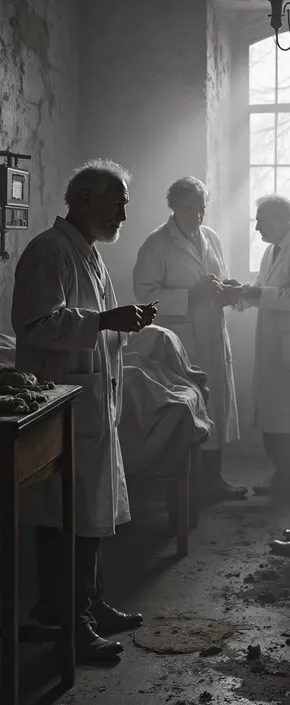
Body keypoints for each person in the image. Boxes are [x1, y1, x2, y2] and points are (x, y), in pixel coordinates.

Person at [11, 159, 157, 664]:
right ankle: (69, 621)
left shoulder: (87, 254)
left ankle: (90, 602)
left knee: (90, 511)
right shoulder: (48, 252)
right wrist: (103, 320)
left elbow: (91, 324)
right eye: (117, 202)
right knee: (66, 516)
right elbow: (33, 324)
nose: (123, 212)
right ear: (85, 199)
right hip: (65, 402)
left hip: (92, 400)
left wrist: (121, 322)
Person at [133, 176, 245, 503]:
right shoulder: (156, 244)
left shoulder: (210, 237)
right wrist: (190, 296)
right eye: (189, 208)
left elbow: (217, 278)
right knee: (189, 409)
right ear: (174, 208)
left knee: (217, 405)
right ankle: (190, 485)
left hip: (212, 332)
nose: (197, 215)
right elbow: (146, 296)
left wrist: (226, 290)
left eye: (202, 208)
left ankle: (215, 480)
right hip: (181, 339)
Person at [238, 194, 290, 495]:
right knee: (275, 414)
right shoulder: (273, 251)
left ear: (280, 220)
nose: (257, 226)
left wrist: (255, 294)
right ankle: (282, 476)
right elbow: (263, 289)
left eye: (261, 220)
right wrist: (237, 293)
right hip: (273, 340)